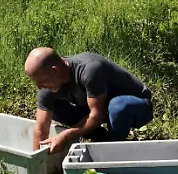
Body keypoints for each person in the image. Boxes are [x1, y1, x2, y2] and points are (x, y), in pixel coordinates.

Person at [25, 47, 154, 153]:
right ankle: (101, 138)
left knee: (117, 107)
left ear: (55, 70)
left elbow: (98, 115)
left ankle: (112, 151)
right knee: (57, 108)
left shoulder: (89, 69)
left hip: (136, 105)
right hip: (100, 106)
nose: (39, 87)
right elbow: (41, 129)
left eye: (41, 81)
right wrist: (37, 161)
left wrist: (66, 136)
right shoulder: (48, 84)